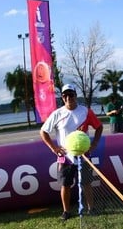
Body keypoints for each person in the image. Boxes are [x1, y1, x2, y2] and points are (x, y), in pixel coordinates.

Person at [40, 84, 104, 220]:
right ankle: (66, 211)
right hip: (65, 158)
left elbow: (99, 127)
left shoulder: (86, 111)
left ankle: (91, 209)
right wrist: (54, 148)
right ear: (62, 98)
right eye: (65, 95)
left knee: (86, 183)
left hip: (84, 156)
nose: (68, 98)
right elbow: (43, 132)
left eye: (71, 95)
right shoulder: (57, 114)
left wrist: (95, 143)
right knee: (65, 185)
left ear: (76, 95)